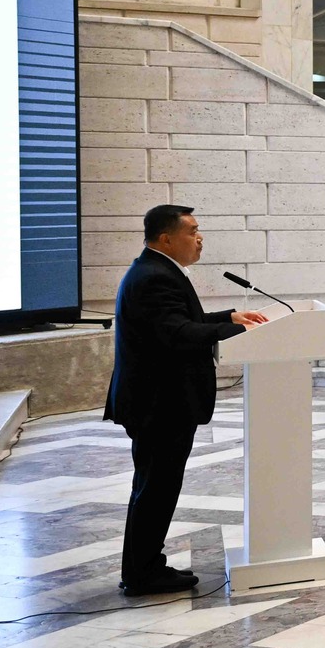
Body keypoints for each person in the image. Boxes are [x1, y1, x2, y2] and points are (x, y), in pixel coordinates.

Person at [105, 205, 267, 595]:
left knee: (153, 488)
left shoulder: (155, 270)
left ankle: (143, 567)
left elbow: (178, 321)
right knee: (155, 490)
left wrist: (230, 316)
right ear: (166, 238)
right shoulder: (155, 277)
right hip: (159, 404)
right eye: (192, 231)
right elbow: (176, 333)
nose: (200, 237)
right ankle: (143, 573)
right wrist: (234, 331)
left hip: (157, 402)